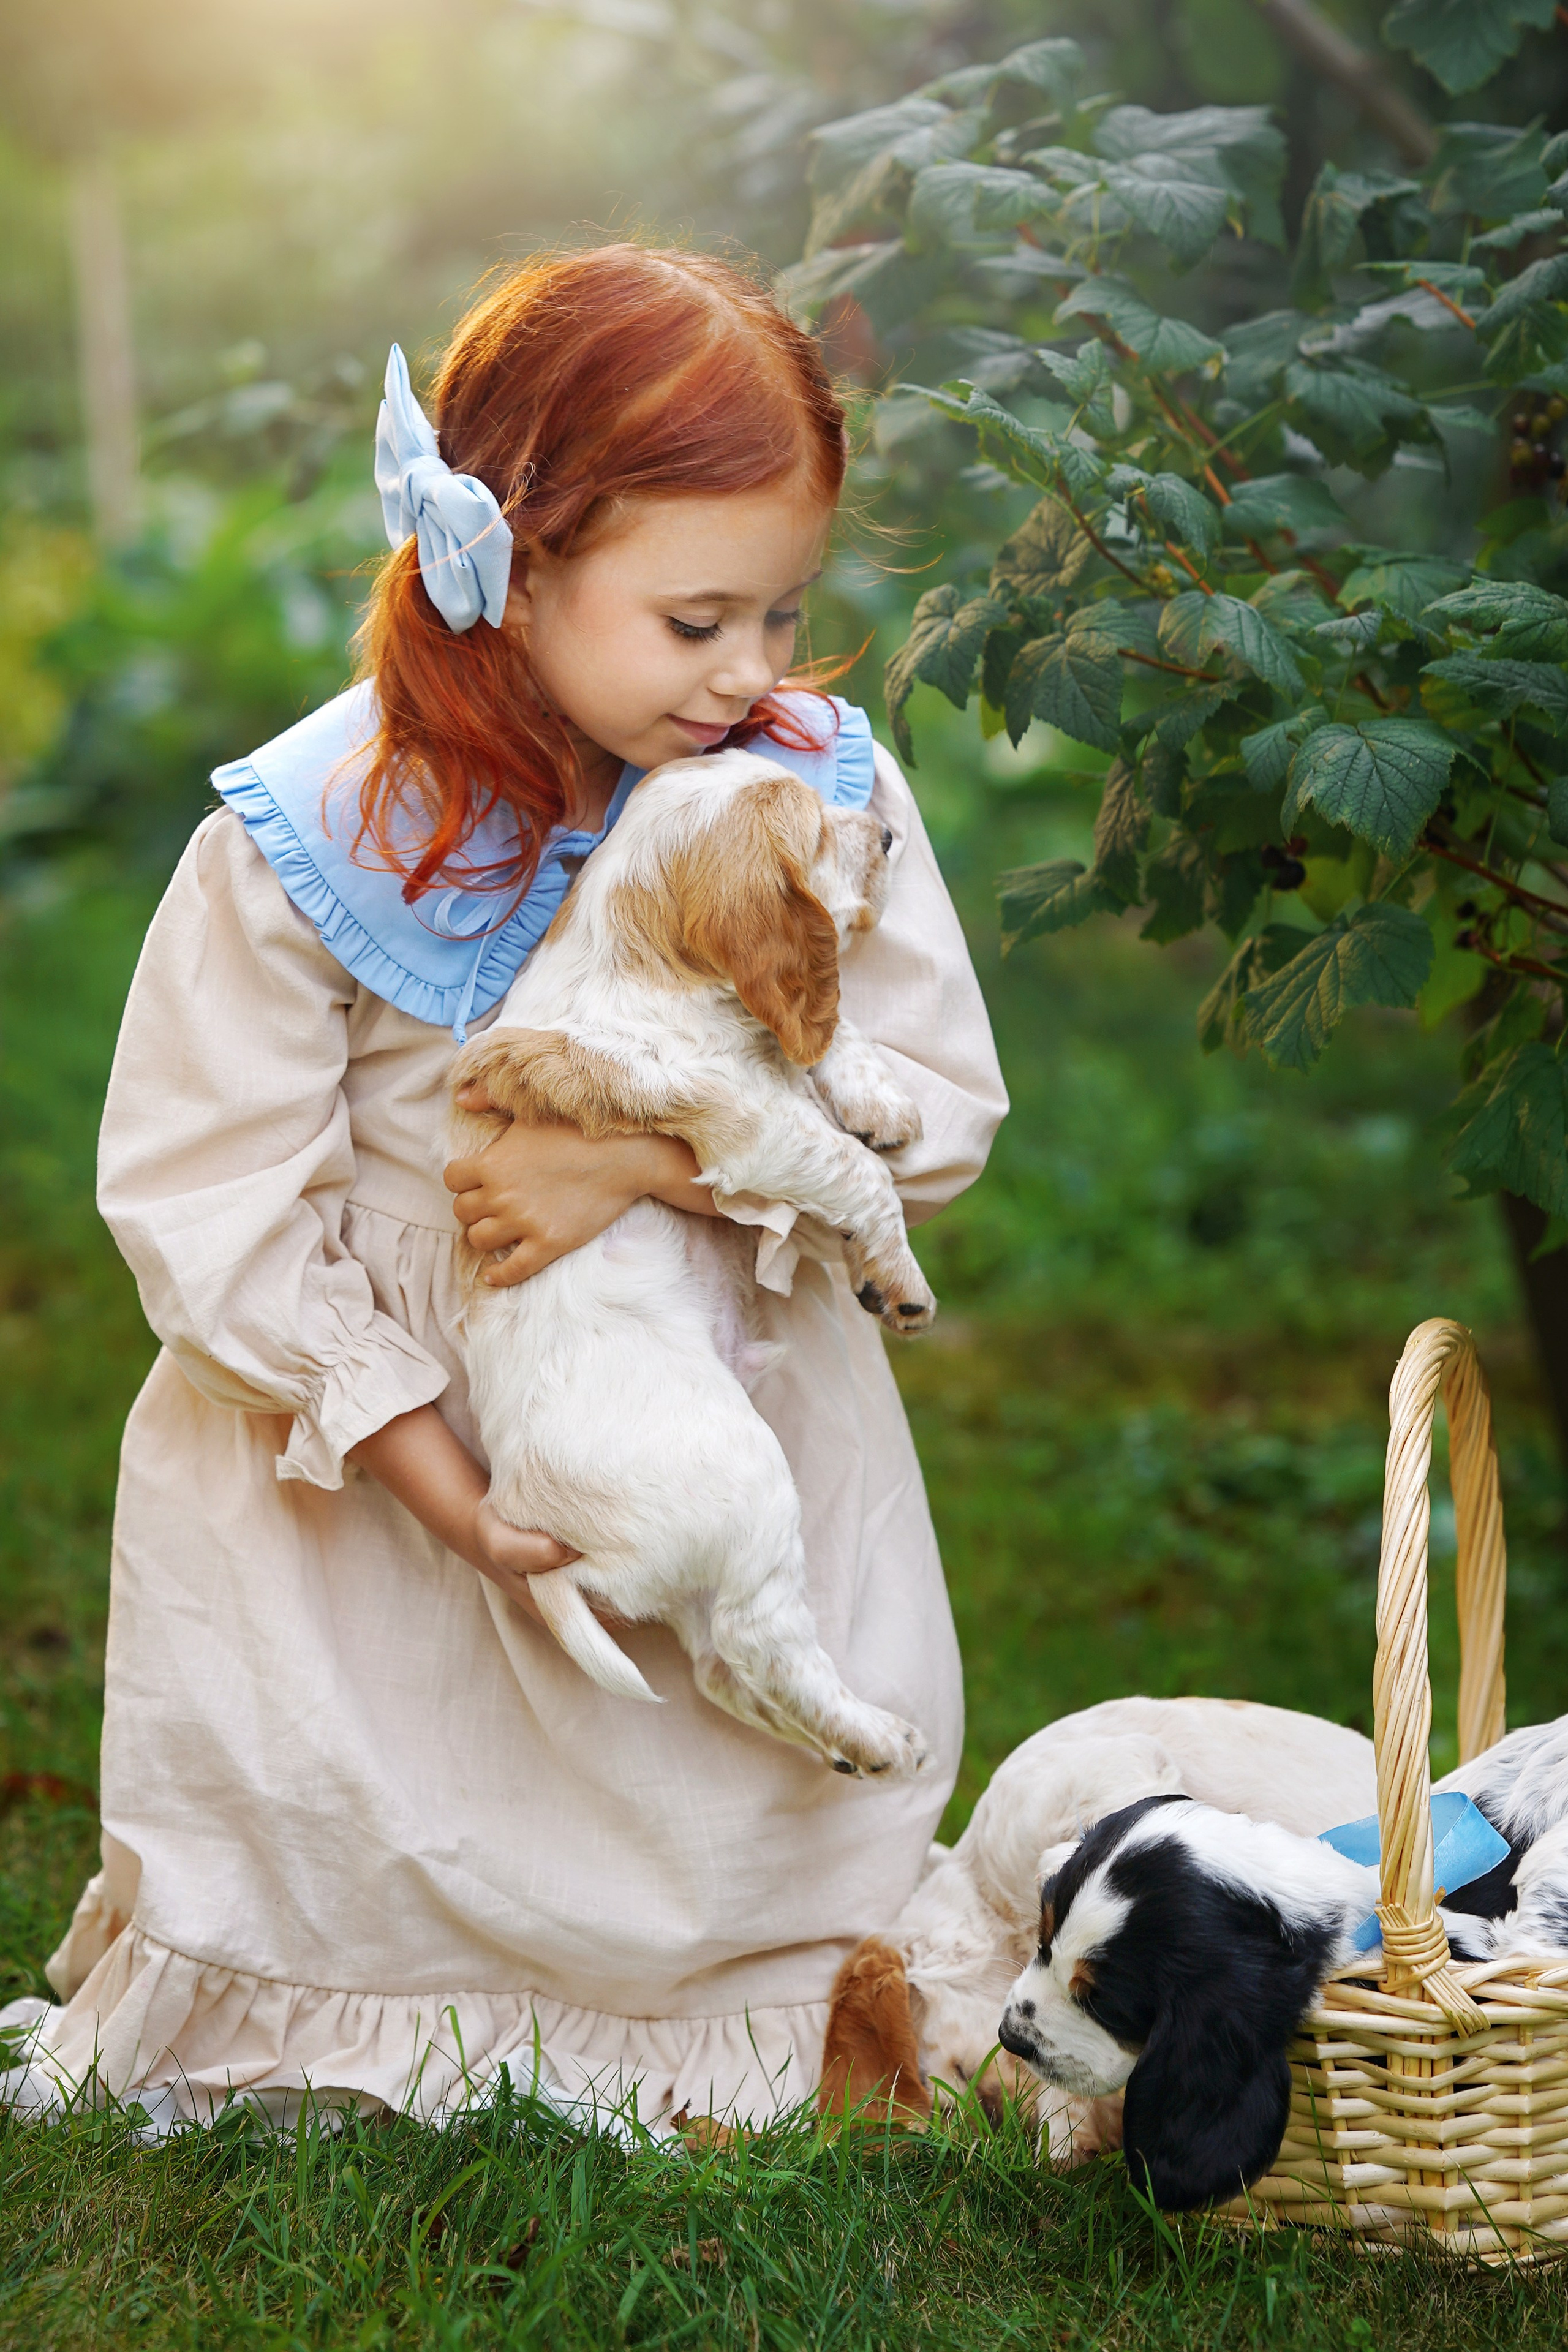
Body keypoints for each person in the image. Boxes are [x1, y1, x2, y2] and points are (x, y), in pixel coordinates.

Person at [0, 246, 1006, 2135]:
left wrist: (636, 1160)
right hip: (389, 1451)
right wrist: (443, 1484)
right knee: (370, 1785)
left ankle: (741, 1984)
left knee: (729, 1777)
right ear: (518, 568)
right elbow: (213, 1200)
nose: (754, 673)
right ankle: (346, 1981)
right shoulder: (325, 835)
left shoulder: (801, 796)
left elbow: (930, 1112)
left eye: (785, 613)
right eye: (697, 619)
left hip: (675, 1386)